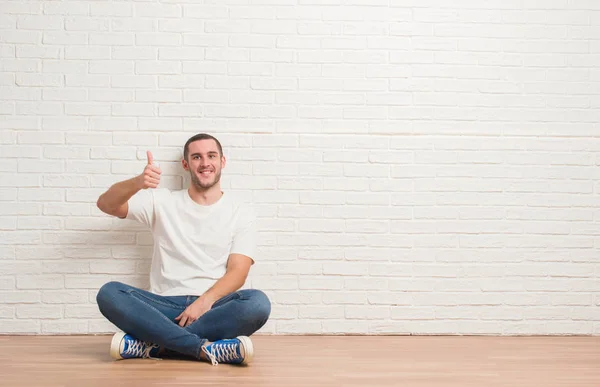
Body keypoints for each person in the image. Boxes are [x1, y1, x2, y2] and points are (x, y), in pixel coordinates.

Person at [95, 133, 271, 366]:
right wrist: (138, 183)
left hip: (213, 308)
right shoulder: (162, 201)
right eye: (197, 157)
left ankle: (154, 345)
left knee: (257, 303)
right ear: (186, 165)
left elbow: (238, 272)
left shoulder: (241, 212)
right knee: (109, 293)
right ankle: (203, 349)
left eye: (211, 156)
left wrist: (204, 302)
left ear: (222, 161)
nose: (205, 162)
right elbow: (106, 204)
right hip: (162, 308)